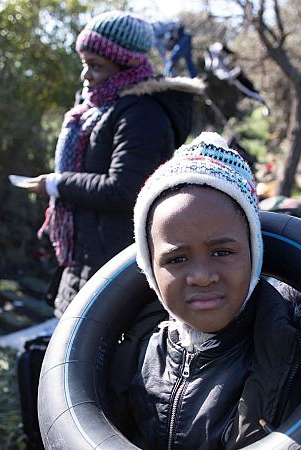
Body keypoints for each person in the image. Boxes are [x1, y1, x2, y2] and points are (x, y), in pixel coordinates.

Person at [108, 132, 301, 448]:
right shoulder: (136, 345)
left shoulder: (291, 350)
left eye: (222, 252)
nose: (202, 277)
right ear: (150, 269)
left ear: (254, 254)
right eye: (177, 258)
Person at [23, 11, 201, 316]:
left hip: (115, 265)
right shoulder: (102, 110)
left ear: (126, 65)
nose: (86, 75)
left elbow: (125, 189)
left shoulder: (141, 114)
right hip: (90, 259)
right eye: (84, 64)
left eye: (95, 66)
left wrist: (56, 184)